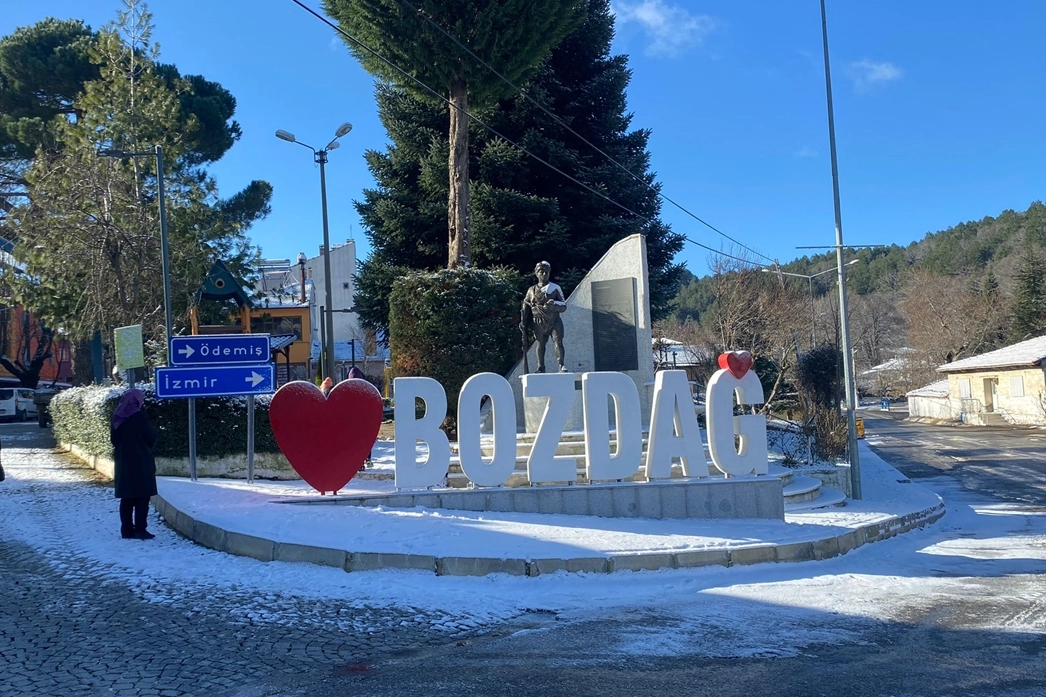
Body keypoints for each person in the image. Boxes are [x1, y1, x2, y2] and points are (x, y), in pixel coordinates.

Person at [110, 388, 159, 540]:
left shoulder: (117, 417)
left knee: (127, 498)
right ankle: (140, 529)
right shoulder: (139, 417)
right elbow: (151, 437)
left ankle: (126, 530)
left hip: (123, 461)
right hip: (141, 461)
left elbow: (114, 440)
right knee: (142, 497)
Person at [521, 261, 567, 373]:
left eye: (546, 271)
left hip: (554, 320)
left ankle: (561, 365)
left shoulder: (555, 288)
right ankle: (541, 366)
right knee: (540, 344)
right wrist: (523, 321)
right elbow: (525, 305)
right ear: (536, 273)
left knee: (558, 342)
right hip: (538, 321)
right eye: (541, 271)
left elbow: (564, 305)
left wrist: (554, 305)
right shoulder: (531, 290)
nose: (544, 274)